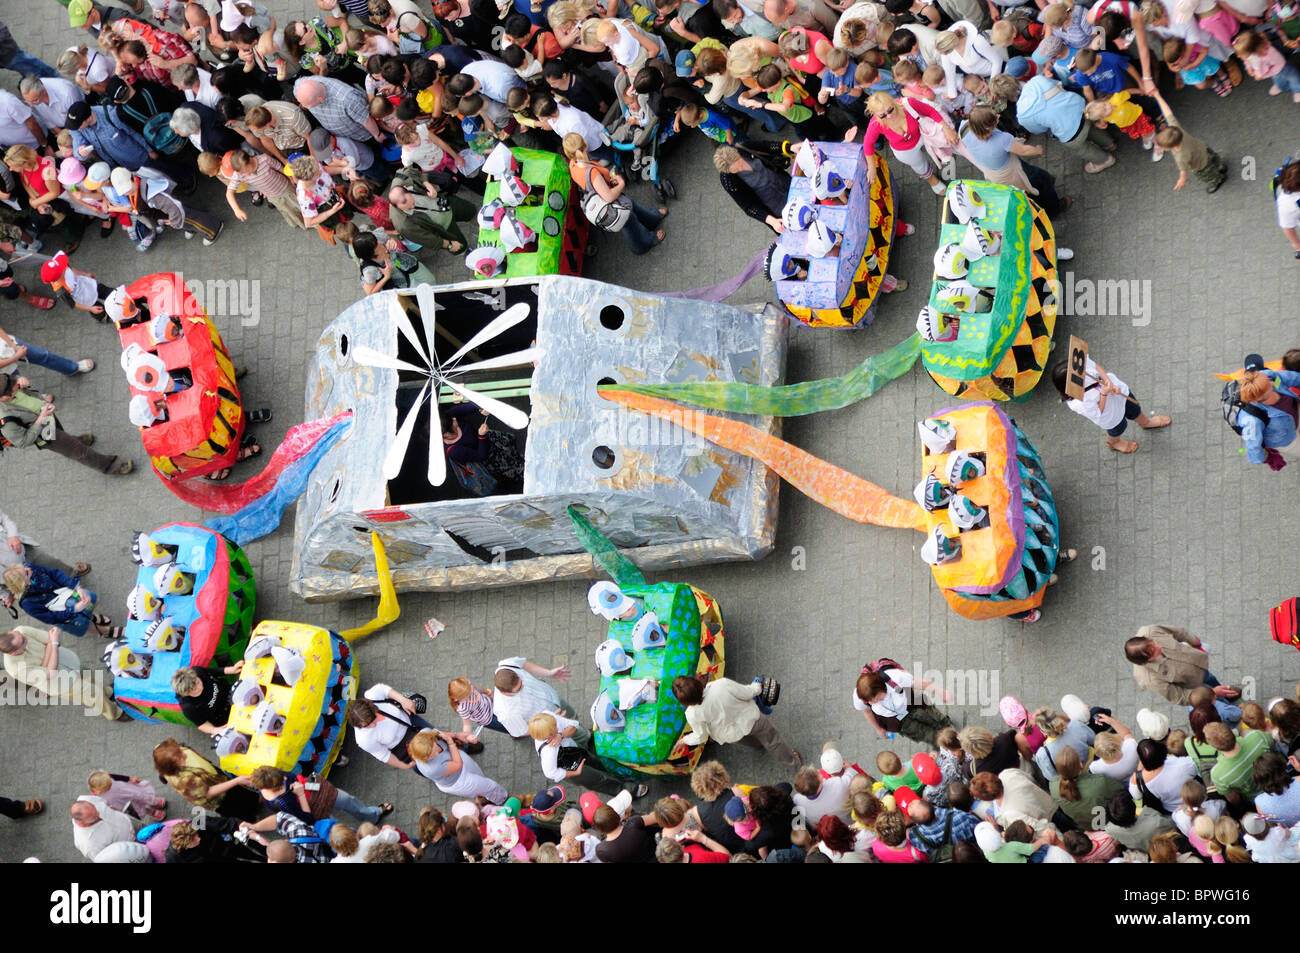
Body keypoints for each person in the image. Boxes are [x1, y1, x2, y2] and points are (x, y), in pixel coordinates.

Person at [561, 132, 667, 255]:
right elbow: (609, 197)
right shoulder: (592, 173)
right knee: (629, 222)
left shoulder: (573, 165)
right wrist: (621, 183)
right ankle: (643, 243)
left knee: (632, 207)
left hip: (603, 199)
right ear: (585, 144)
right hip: (614, 204)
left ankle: (652, 219)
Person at [961, 104, 1068, 217]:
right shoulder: (1002, 140)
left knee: (1025, 190)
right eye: (995, 118)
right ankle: (1053, 209)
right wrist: (1037, 150)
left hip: (993, 174)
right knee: (1042, 179)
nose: (998, 116)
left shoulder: (964, 130)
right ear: (989, 128)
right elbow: (1023, 151)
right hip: (1011, 172)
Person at [673, 674, 801, 768]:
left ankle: (759, 745)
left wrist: (685, 740)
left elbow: (700, 736)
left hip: (730, 734)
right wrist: (757, 687)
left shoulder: (691, 714)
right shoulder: (721, 685)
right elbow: (747, 693)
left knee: (750, 740)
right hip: (751, 720)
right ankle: (794, 764)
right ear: (695, 681)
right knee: (774, 742)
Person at [1050, 356, 1171, 453]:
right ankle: (1114, 443)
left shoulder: (1079, 366)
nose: (1084, 372)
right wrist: (1104, 393)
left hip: (1118, 393)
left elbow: (1096, 367)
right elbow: (1098, 411)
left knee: (1134, 409)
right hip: (1109, 414)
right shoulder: (1077, 402)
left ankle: (1146, 423)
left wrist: (1109, 383)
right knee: (1118, 427)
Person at [1, 626, 122, 719]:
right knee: (92, 694)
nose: (24, 636)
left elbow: (49, 638)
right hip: (60, 683)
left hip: (68, 661)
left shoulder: (21, 630)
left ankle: (107, 692)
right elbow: (51, 673)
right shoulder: (16, 669)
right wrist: (52, 645)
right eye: (22, 641)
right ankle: (114, 713)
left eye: (20, 635)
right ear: (15, 653)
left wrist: (47, 659)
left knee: (90, 677)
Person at [845, 91, 953, 195]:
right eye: (883, 115)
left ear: (893, 101)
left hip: (922, 135)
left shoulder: (907, 103)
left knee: (944, 148)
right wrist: (871, 167)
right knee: (919, 165)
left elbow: (930, 111)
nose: (889, 116)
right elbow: (868, 144)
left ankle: (946, 159)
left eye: (890, 110)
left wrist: (946, 129)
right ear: (876, 115)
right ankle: (932, 179)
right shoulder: (876, 124)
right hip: (904, 149)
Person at [526, 712, 643, 798]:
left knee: (599, 765)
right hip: (573, 769)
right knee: (599, 780)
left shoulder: (548, 717)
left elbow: (573, 725)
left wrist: (561, 735)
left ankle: (622, 777)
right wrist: (575, 773)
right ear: (548, 735)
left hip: (576, 752)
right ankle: (628, 792)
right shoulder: (548, 752)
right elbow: (550, 773)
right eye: (554, 729)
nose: (558, 727)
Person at [1126, 624, 1239, 705]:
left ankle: (1223, 692)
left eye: (1154, 644)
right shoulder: (1150, 680)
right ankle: (1225, 704)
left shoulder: (1150, 631)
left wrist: (1196, 643)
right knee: (1217, 701)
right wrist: (1212, 693)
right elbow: (1180, 696)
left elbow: (1179, 632)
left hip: (1201, 665)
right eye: (1155, 652)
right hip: (1196, 688)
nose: (1159, 647)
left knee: (1211, 678)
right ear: (1146, 661)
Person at [152, 737, 260, 821]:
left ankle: (256, 802)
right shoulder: (183, 780)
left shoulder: (162, 751)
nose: (184, 755)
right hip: (219, 798)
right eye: (179, 758)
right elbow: (208, 792)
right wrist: (236, 781)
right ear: (171, 766)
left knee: (244, 795)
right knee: (239, 810)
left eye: (180, 751)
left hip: (214, 778)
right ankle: (253, 821)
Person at [2, 562, 115, 638]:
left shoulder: (30, 567)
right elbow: (51, 618)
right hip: (63, 615)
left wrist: (77, 588)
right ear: (23, 583)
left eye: (24, 567)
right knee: (84, 624)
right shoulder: (27, 603)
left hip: (67, 595)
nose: (28, 569)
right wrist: (74, 609)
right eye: (25, 572)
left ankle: (91, 616)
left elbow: (55, 574)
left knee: (93, 599)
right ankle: (104, 631)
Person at [853, 663, 953, 746]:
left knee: (933, 715)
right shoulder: (860, 697)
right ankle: (944, 743)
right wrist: (878, 729)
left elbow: (917, 683)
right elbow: (867, 712)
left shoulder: (895, 677)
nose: (874, 703)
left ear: (883, 687)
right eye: (870, 702)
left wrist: (940, 691)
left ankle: (947, 726)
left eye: (878, 698)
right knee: (924, 734)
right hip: (897, 721)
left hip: (912, 701)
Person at [346, 682, 435, 769]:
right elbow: (383, 755)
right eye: (367, 726)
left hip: (413, 723)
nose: (373, 725)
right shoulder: (363, 739)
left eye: (373, 719)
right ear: (358, 726)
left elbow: (383, 689)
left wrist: (403, 700)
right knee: (431, 767)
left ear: (372, 708)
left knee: (437, 739)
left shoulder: (372, 696)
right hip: (403, 748)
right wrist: (402, 765)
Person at [407, 729, 510, 801]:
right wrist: (450, 742)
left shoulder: (425, 732)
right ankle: (504, 799)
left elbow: (441, 734)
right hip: (457, 780)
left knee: (480, 777)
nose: (437, 753)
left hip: (454, 755)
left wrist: (457, 735)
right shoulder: (432, 769)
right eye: (431, 756)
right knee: (490, 786)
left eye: (435, 748)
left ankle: (485, 797)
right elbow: (458, 765)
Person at [490, 655, 576, 739]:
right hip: (553, 724)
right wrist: (549, 723)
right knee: (576, 736)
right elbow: (521, 731)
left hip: (553, 698)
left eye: (521, 681)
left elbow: (525, 664)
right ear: (503, 692)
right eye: (518, 688)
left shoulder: (507, 665)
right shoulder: (506, 714)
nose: (523, 686)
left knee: (573, 717)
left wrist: (549, 673)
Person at [1232, 362, 1300, 467]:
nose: (1274, 384)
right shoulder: (1251, 420)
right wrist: (1267, 457)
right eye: (1270, 389)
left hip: (1295, 413)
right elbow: (1253, 448)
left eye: (1270, 383)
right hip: (1287, 439)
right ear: (1258, 400)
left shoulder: (1266, 377)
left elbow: (1290, 377)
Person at [70, 796, 149, 862]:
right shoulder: (89, 845)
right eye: (94, 816)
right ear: (81, 822)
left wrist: (118, 810)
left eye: (95, 809)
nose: (98, 813)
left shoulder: (87, 799)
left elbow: (106, 803)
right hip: (132, 847)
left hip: (130, 822)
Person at [170, 661, 244, 733]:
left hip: (230, 693)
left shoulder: (198, 671)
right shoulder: (188, 707)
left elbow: (213, 671)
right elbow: (201, 723)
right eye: (194, 689)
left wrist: (232, 669)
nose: (199, 687)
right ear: (186, 693)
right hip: (222, 716)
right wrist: (214, 730)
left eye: (198, 682)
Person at [592, 802, 662, 863]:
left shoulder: (601, 850)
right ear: (617, 816)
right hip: (657, 853)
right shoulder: (634, 822)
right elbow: (656, 817)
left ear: (600, 829)